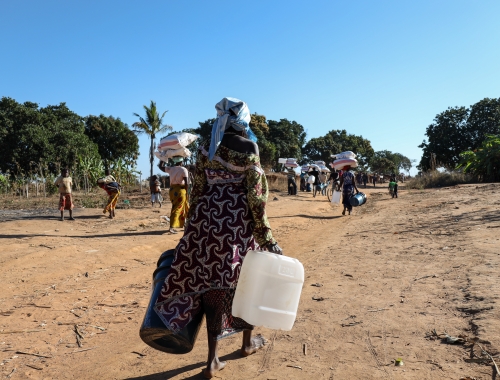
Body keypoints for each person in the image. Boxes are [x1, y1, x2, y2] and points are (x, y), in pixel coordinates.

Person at [154, 98, 282, 379]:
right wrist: (267, 237)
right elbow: (256, 198)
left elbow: (198, 189)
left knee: (211, 286)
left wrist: (192, 230)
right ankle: (247, 343)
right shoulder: (249, 147)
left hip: (205, 224)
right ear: (244, 119)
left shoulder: (205, 147)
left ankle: (212, 360)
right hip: (236, 225)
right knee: (247, 279)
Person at [159, 157, 189, 234]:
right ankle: (172, 227)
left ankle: (184, 224)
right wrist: (187, 192)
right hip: (180, 191)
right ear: (181, 161)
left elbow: (160, 167)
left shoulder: (171, 169)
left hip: (172, 191)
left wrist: (163, 158)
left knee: (177, 207)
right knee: (178, 208)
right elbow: (186, 183)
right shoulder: (183, 170)